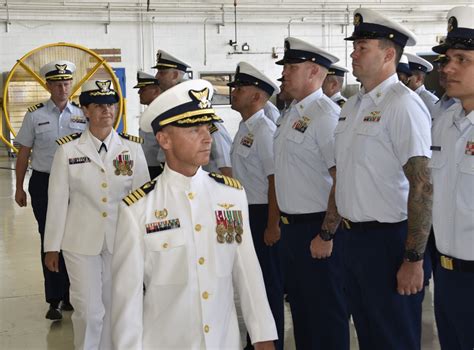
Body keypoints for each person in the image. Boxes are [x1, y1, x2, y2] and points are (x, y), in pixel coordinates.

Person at [111, 79, 277, 350]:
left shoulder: (230, 197)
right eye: (193, 129)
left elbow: (247, 271)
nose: (207, 137)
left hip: (224, 342)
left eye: (207, 127)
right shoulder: (138, 209)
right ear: (164, 139)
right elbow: (126, 298)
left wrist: (263, 336)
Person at [334, 8, 432, 349]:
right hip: (353, 240)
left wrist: (413, 259)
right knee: (368, 332)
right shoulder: (351, 106)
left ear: (389, 54)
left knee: (394, 335)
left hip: (389, 242)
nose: (353, 53)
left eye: (363, 47)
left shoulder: (402, 105)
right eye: (355, 46)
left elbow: (421, 184)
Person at [43, 80, 149, 349]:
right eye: (99, 105)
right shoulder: (68, 150)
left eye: (110, 104)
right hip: (80, 241)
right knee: (89, 311)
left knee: (116, 308)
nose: (106, 110)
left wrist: (144, 241)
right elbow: (57, 201)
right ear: (85, 111)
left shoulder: (132, 149)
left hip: (121, 240)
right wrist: (51, 247)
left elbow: (142, 201)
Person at [274, 37, 349, 350]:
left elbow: (340, 178)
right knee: (303, 313)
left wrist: (326, 234)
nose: (285, 73)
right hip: (292, 231)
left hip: (317, 229)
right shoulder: (291, 114)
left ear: (315, 72)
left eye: (292, 67)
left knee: (327, 315)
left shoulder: (325, 115)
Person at [14, 60, 86, 320]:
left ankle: (71, 294)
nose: (62, 88)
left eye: (66, 83)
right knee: (49, 237)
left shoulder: (82, 114)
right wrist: (19, 187)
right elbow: (24, 152)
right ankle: (54, 299)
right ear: (48, 85)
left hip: (76, 183)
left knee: (75, 237)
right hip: (44, 182)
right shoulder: (35, 115)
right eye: (57, 83)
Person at [228, 62, 284, 350]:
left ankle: (271, 343)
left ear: (258, 97)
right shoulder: (244, 128)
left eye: (241, 88)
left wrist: (273, 224)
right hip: (246, 214)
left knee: (267, 286)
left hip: (263, 214)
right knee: (251, 283)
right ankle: (255, 341)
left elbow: (275, 180)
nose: (233, 92)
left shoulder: (264, 130)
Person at [430, 6, 474, 349]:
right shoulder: (444, 123)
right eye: (448, 59)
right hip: (446, 274)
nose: (449, 68)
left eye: (462, 59)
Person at [153, 49, 233, 177]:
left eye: (162, 73)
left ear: (174, 75)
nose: (156, 77)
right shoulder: (170, 112)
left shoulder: (200, 116)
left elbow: (225, 163)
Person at [134, 71, 163, 178]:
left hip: (158, 168)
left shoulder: (161, 112)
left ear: (155, 91)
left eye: (143, 89)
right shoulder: (151, 112)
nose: (139, 92)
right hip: (148, 166)